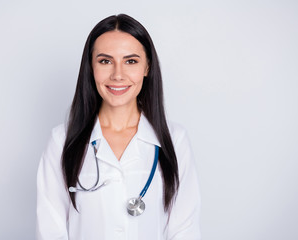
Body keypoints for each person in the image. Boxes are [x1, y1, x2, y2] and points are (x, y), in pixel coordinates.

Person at [36, 14, 201, 240]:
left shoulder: (175, 140)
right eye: (105, 61)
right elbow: (51, 230)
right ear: (90, 67)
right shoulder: (62, 141)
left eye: (131, 61)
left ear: (147, 67)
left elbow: (184, 231)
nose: (118, 75)